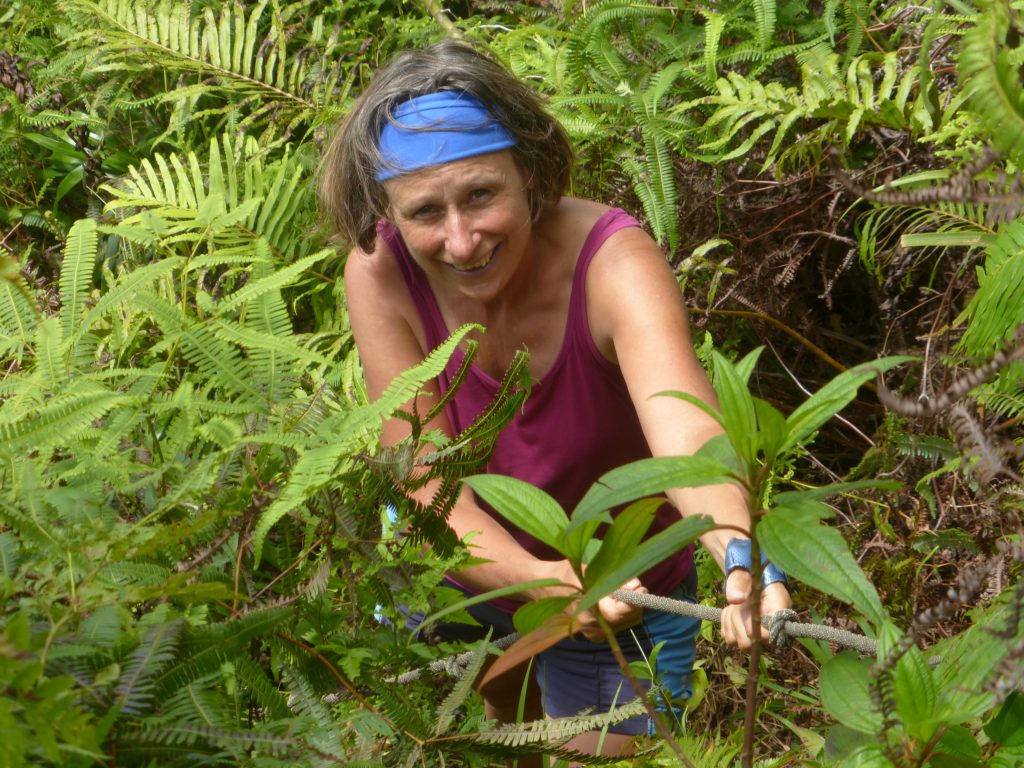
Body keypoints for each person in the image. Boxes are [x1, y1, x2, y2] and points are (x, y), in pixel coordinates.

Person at [319, 39, 792, 761]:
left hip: (624, 589)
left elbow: (686, 431)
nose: (461, 240)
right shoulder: (380, 274)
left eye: (481, 193)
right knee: (496, 739)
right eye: (423, 211)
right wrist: (538, 581)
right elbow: (420, 475)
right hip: (467, 575)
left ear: (532, 175)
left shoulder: (614, 261)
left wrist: (740, 551)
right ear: (387, 210)